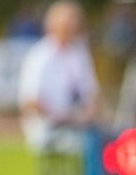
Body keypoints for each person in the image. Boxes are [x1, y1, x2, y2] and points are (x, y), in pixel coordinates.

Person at [18, 0, 99, 154]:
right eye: (67, 24)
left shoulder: (79, 54)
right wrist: (60, 116)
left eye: (75, 23)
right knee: (86, 144)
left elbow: (91, 93)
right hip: (48, 128)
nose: (72, 28)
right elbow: (31, 101)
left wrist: (88, 114)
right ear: (52, 25)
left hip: (77, 124)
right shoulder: (40, 56)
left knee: (105, 139)